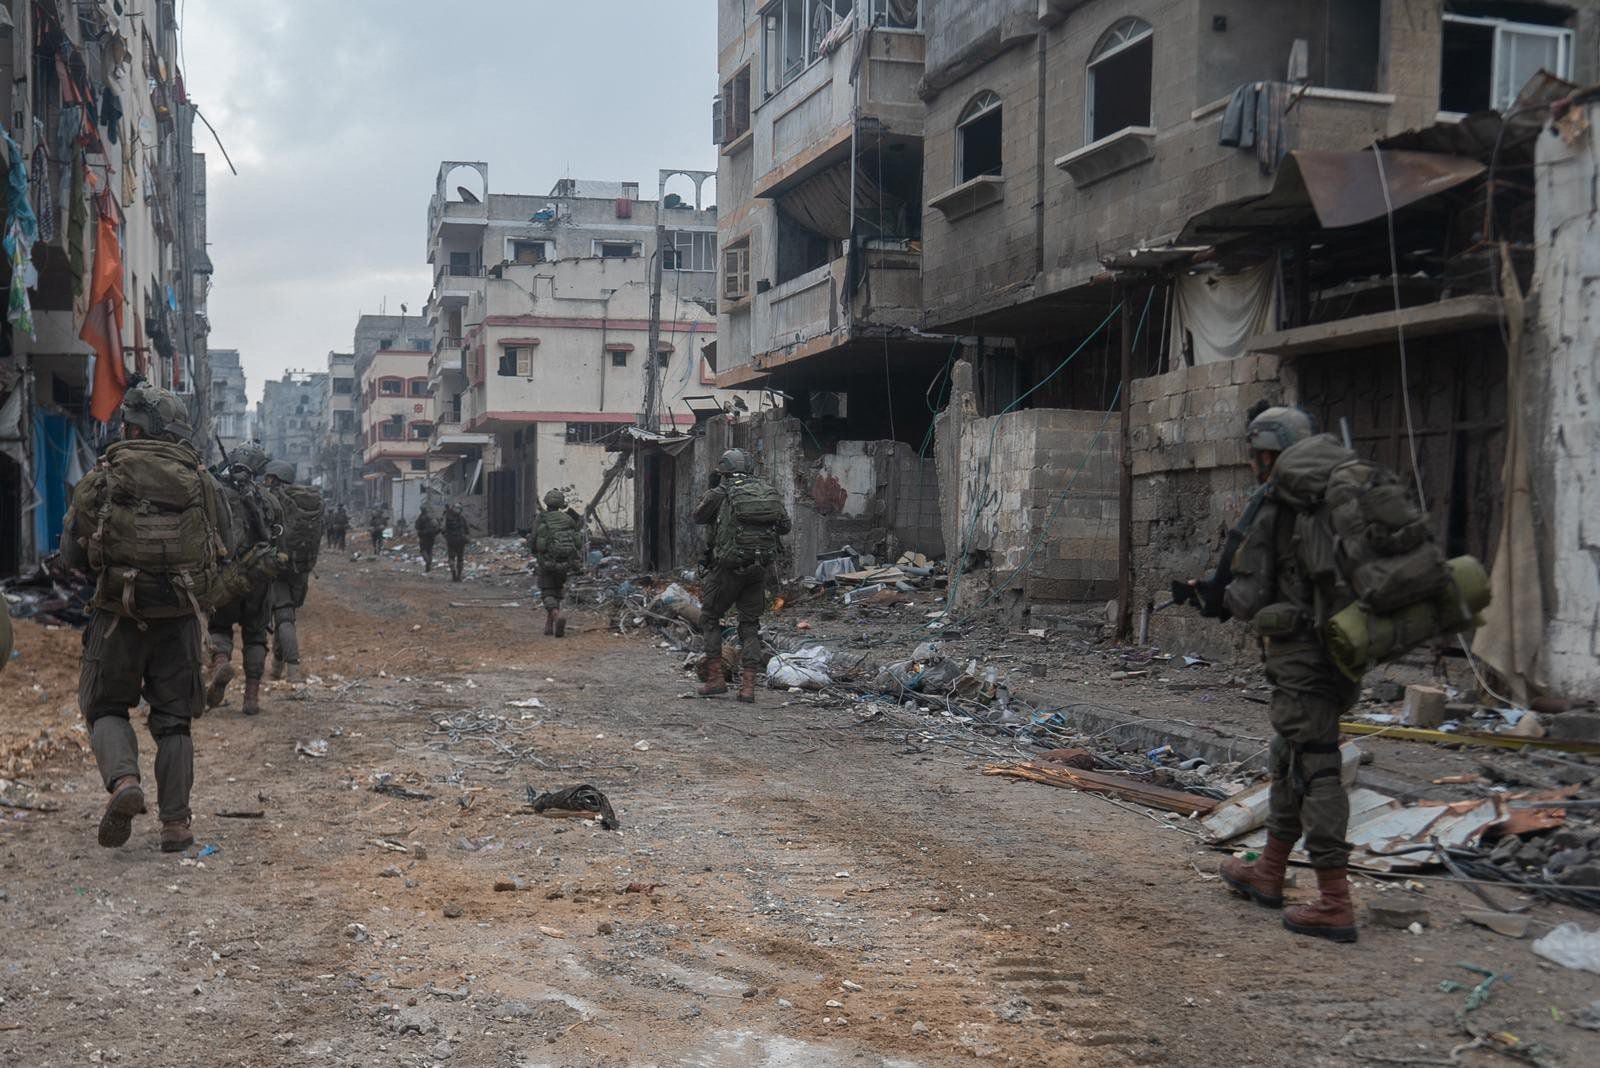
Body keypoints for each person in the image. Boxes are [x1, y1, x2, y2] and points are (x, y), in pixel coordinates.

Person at [1192, 406, 1362, 943]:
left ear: (1268, 454)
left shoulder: (1281, 504)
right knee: (1288, 756)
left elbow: (1247, 595)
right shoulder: (1335, 499)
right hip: (1343, 648)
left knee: (1317, 765)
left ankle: (1335, 902)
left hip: (1303, 655)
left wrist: (1212, 598)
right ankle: (1269, 869)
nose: (1251, 464)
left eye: (1254, 454)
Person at [60, 385, 229, 852]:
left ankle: (124, 782)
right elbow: (226, 547)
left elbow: (71, 554)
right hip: (179, 619)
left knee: (106, 707)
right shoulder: (203, 482)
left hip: (117, 615)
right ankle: (175, 825)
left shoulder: (102, 478)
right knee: (175, 721)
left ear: (133, 428)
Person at [694, 448, 790, 703]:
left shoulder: (720, 492)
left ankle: (715, 679)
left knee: (710, 617)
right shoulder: (767, 490)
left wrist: (712, 488)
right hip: (758, 569)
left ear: (724, 469)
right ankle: (748, 688)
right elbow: (785, 527)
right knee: (749, 625)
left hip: (727, 569)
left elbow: (698, 517)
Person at [206, 444, 282, 717]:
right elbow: (278, 540)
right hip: (258, 580)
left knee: (219, 627)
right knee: (256, 635)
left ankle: (220, 663)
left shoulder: (216, 494)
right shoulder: (268, 499)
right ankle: (251, 697)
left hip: (224, 577)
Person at [263, 460, 322, 683]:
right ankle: (276, 669)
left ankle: (294, 671)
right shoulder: (304, 500)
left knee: (284, 619)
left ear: (275, 478)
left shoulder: (273, 499)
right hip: (302, 567)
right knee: (286, 616)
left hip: (280, 567)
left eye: (269, 477)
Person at [530, 489, 584, 636]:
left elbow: (533, 539)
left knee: (547, 592)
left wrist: (535, 551)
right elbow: (577, 541)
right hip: (565, 562)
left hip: (547, 562)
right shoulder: (568, 519)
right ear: (561, 504)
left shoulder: (542, 518)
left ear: (547, 503)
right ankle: (549, 626)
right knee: (557, 591)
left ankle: (556, 615)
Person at [443, 502, 473, 582]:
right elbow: (467, 530)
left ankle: (453, 573)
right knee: (460, 558)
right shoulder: (462, 519)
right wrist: (467, 538)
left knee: (451, 557)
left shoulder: (448, 518)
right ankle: (459, 576)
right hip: (461, 541)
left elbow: (443, 529)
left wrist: (446, 536)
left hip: (451, 541)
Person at [415, 504, 440, 573]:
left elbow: (417, 526)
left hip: (424, 536)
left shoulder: (421, 517)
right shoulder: (432, 517)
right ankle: (428, 566)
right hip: (432, 536)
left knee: (423, 550)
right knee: (429, 551)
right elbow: (437, 526)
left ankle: (428, 561)